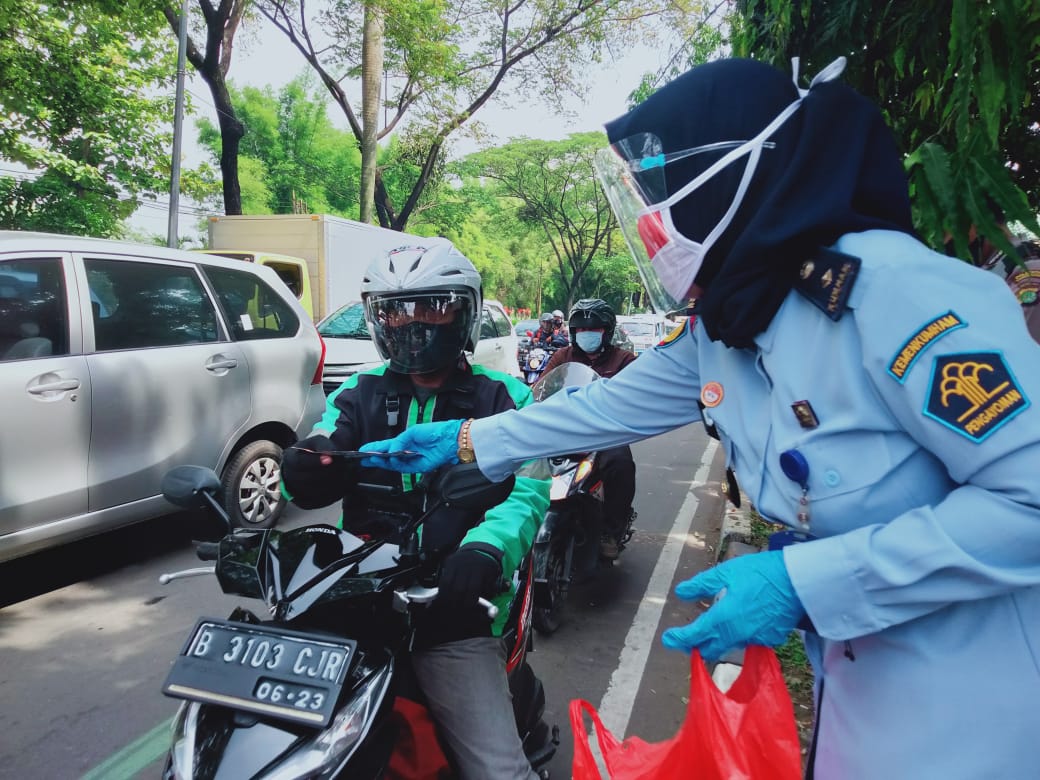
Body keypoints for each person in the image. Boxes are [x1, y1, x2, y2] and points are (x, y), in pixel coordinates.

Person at [358, 57, 1040, 778]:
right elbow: (607, 407)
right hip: (852, 691)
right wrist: (468, 440)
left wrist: (809, 583)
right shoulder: (731, 320)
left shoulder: (903, 298)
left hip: (983, 707)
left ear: (739, 178)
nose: (652, 227)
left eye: (663, 198)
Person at [280, 240, 549, 780]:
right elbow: (325, 444)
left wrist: (486, 547)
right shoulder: (359, 391)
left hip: (451, 604)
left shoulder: (507, 399)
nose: (411, 323)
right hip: (354, 590)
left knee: (499, 772)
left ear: (464, 313)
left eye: (432, 306)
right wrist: (303, 469)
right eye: (394, 310)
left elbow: (527, 489)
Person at [538, 298, 639, 558]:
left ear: (607, 331)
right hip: (565, 431)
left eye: (593, 329)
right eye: (581, 330)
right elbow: (543, 387)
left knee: (621, 464)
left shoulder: (624, 360)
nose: (587, 334)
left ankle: (611, 530)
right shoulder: (563, 356)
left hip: (605, 433)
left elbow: (637, 396)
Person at [944, 216, 1040, 344]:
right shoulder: (993, 271)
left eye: (943, 233)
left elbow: (1015, 346)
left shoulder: (1029, 273)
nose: (941, 243)